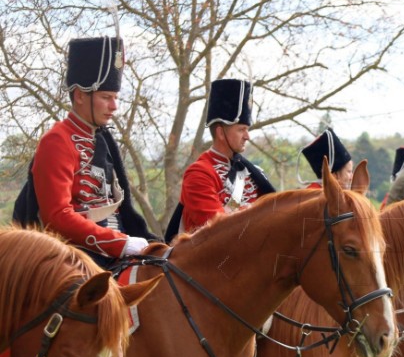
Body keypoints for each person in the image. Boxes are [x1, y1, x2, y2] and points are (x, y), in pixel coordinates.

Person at [13, 35, 156, 267]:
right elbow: (57, 217)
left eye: (116, 98)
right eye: (106, 97)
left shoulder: (103, 140)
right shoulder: (57, 141)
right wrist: (119, 243)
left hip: (114, 249)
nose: (114, 106)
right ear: (80, 95)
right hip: (75, 258)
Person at [167, 79, 276, 239]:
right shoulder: (199, 174)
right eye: (241, 130)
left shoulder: (254, 172)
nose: (247, 136)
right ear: (220, 133)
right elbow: (219, 233)